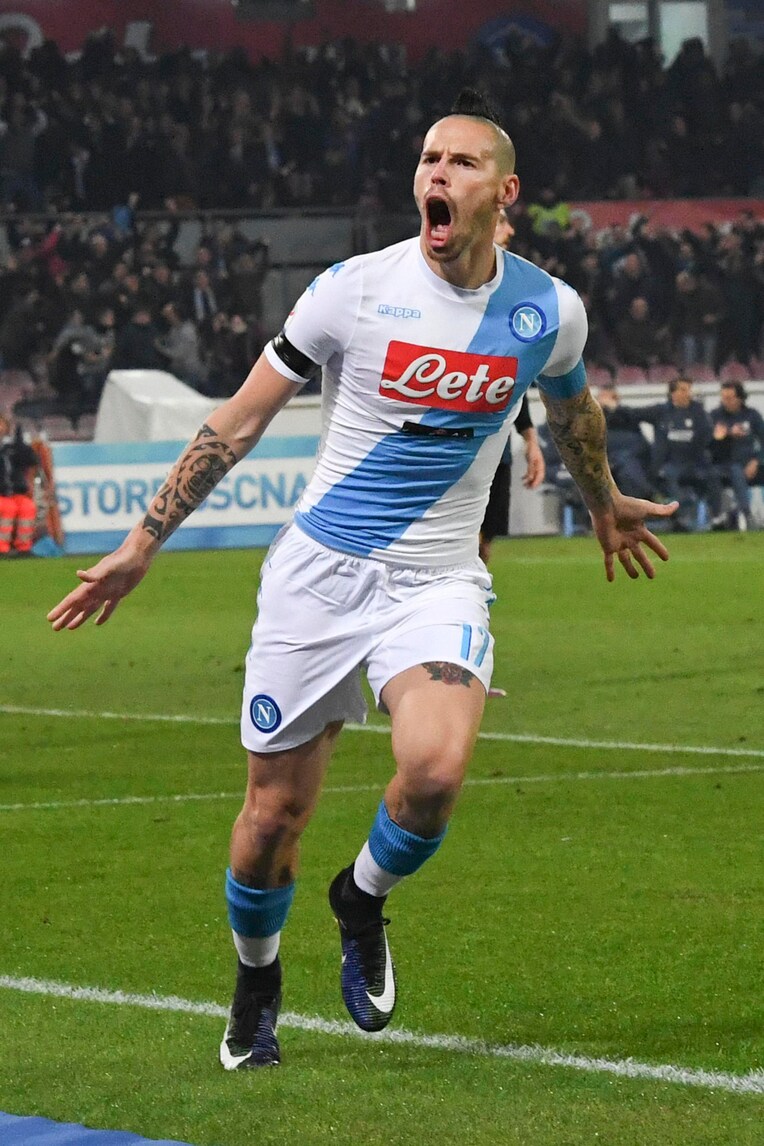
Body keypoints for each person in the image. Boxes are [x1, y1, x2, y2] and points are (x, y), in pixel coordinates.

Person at [47, 89, 677, 1070]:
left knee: (434, 771)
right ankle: (257, 981)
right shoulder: (351, 291)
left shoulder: (548, 311)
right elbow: (239, 419)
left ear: (504, 192)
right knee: (271, 820)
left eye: (461, 162)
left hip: (436, 581)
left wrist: (600, 503)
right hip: (317, 582)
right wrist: (141, 543)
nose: (437, 174)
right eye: (428, 160)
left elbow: (572, 413)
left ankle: (360, 899)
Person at [638, 376, 725, 531]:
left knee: (713, 475)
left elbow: (707, 439)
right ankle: (680, 519)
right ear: (673, 393)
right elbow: (634, 414)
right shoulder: (661, 411)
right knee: (670, 475)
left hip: (696, 463)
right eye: (683, 390)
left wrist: (716, 438)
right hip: (671, 464)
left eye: (689, 390)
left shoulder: (699, 413)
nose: (688, 393)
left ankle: (717, 517)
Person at [709, 381, 764, 529]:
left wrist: (756, 461)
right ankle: (740, 514)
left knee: (738, 470)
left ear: (740, 398)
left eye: (730, 398)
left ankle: (746, 514)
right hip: (723, 465)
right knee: (732, 470)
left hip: (750, 463)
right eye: (723, 398)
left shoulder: (752, 415)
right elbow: (706, 445)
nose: (726, 401)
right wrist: (722, 436)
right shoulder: (714, 416)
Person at [0, 413, 39, 557]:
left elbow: (30, 462)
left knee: (27, 507)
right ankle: (2, 548)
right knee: (7, 508)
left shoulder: (13, 448)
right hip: (3, 495)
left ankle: (24, 547)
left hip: (13, 492)